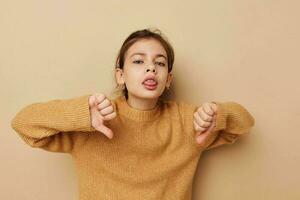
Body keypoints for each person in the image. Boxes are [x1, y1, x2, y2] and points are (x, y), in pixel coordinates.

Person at [11, 28, 255, 200]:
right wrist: (82, 114)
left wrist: (216, 115)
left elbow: (244, 122)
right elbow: (23, 123)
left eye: (159, 63)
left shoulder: (185, 121)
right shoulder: (96, 120)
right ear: (121, 75)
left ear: (168, 79)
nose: (151, 67)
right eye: (138, 61)